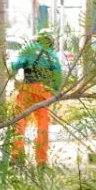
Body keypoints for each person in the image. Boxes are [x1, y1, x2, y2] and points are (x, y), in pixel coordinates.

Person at [9, 29, 63, 166]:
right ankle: (41, 161)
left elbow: (15, 65)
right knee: (43, 127)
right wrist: (55, 93)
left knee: (19, 123)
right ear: (50, 42)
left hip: (27, 90)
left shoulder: (29, 49)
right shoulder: (52, 55)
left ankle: (16, 156)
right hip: (44, 93)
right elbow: (58, 77)